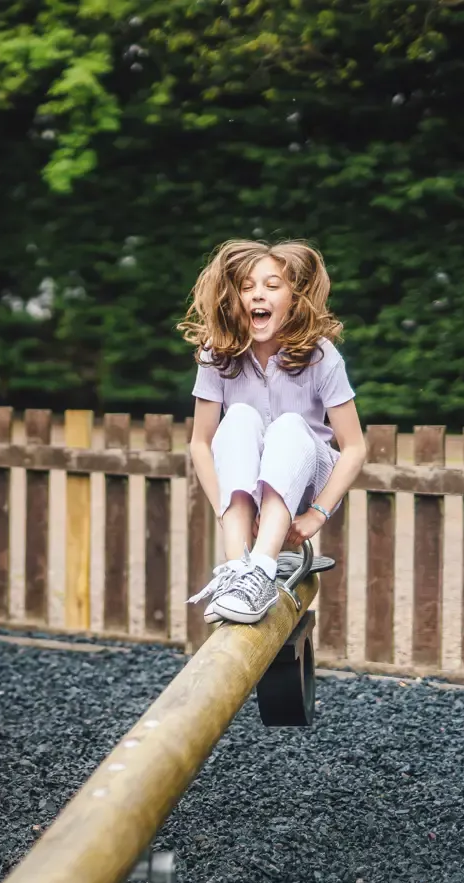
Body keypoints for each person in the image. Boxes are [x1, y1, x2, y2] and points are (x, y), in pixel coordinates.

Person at [180, 239, 367, 625]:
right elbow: (200, 443)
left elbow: (354, 448)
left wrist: (317, 515)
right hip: (246, 489)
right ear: (233, 299)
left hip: (306, 481)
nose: (257, 295)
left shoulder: (320, 355)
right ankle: (238, 571)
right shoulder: (217, 355)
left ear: (294, 298)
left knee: (287, 425)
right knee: (240, 418)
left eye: (271, 285)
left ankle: (262, 569)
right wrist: (226, 510)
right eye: (246, 287)